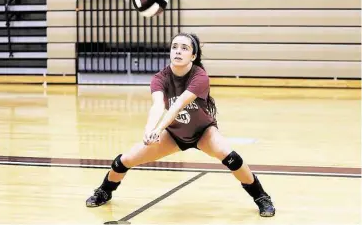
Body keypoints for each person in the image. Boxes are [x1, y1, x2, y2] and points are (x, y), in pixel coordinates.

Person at [86, 32, 276, 217]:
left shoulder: (199, 76)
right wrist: (149, 130)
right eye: (175, 47)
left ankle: (261, 197)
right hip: (174, 134)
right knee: (125, 160)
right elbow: (158, 105)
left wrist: (158, 130)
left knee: (231, 157)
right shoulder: (160, 78)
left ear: (193, 56)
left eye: (184, 48)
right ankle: (104, 191)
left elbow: (176, 106)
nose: (178, 51)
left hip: (203, 132)